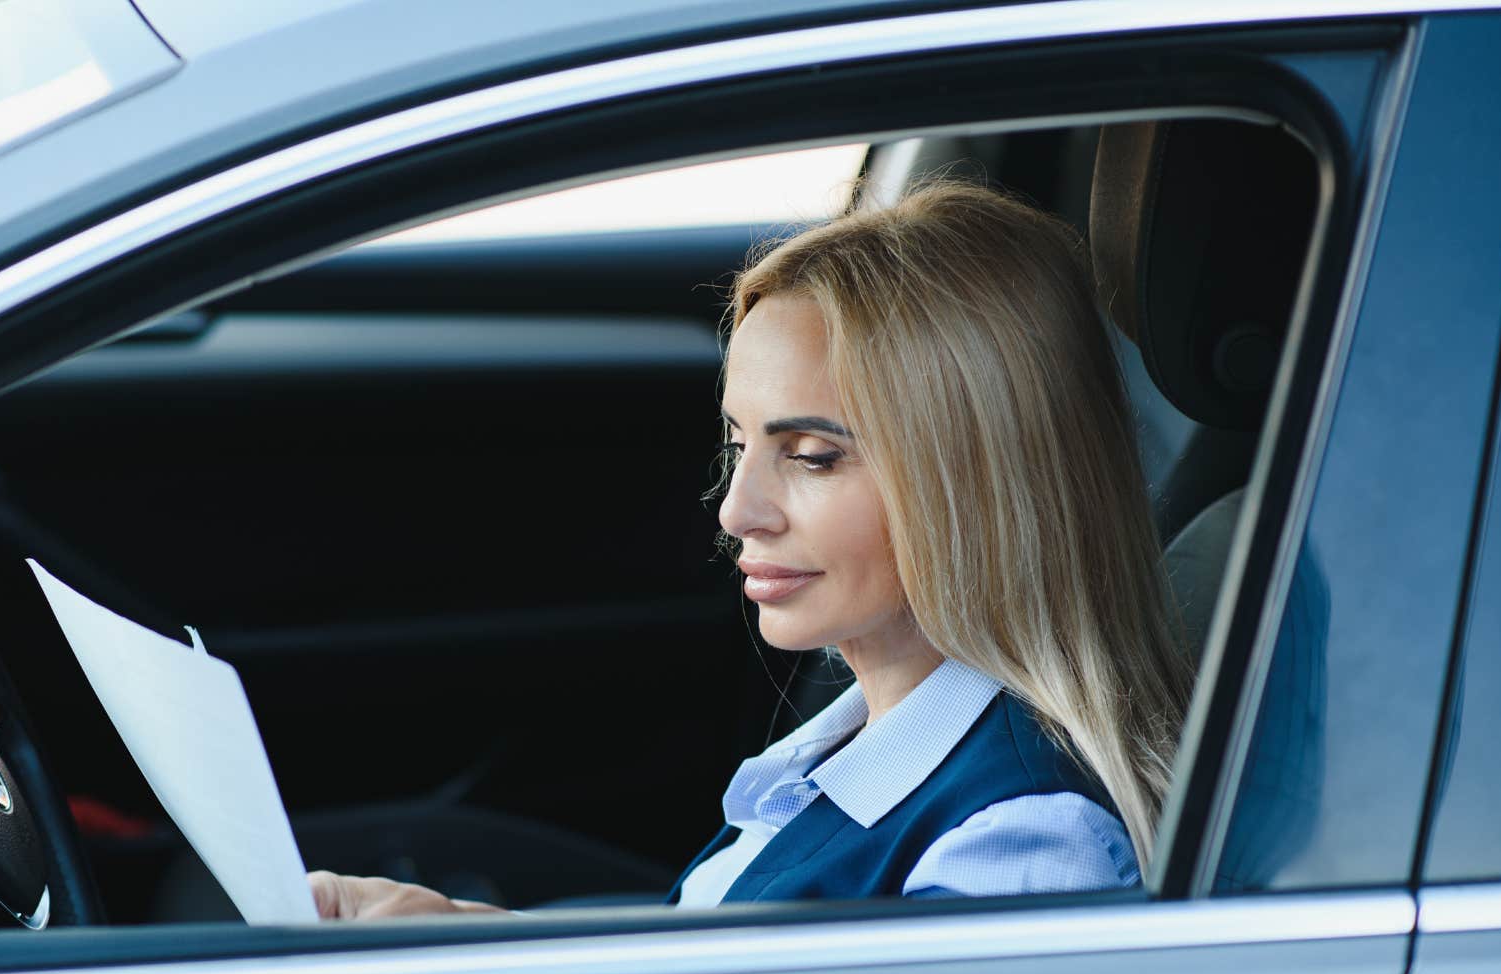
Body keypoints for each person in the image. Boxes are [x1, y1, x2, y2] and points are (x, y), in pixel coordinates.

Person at [309, 180, 1194, 920]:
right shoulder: (854, 753)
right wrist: (465, 941)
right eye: (740, 447)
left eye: (812, 457)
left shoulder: (1015, 847)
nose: (737, 510)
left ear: (982, 484)